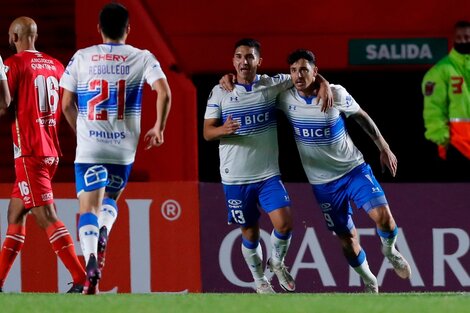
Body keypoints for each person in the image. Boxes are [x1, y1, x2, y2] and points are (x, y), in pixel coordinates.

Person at [277, 49, 411, 293]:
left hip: (353, 170)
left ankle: (389, 250)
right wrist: (229, 81)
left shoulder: (335, 93)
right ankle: (369, 279)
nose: (298, 75)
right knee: (347, 241)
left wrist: (384, 147)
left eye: (304, 70)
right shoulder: (285, 98)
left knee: (385, 219)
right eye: (294, 70)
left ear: (315, 72)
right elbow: (257, 87)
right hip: (323, 185)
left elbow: (361, 117)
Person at [60, 2, 171, 295]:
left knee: (87, 208)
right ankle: (105, 228)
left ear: (99, 29)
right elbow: (164, 91)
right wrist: (158, 126)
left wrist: (82, 132)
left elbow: (66, 104)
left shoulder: (82, 57)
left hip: (90, 149)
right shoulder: (142, 57)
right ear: (128, 29)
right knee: (110, 199)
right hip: (123, 150)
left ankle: (91, 264)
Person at [204, 38, 331, 293]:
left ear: (258, 62)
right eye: (239, 56)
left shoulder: (271, 85)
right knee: (250, 233)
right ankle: (260, 280)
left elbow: (305, 74)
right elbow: (207, 132)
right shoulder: (221, 92)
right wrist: (222, 130)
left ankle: (278, 261)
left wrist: (325, 84)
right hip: (235, 178)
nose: (244, 62)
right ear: (233, 61)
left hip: (268, 174)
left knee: (284, 223)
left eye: (249, 57)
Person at [0, 17, 86, 293]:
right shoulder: (57, 65)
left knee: (46, 214)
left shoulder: (13, 65)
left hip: (29, 152)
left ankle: (82, 277)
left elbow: (4, 107)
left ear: (14, 36)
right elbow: (68, 105)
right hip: (50, 149)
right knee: (16, 213)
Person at [422, 20, 470, 181]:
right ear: (454, 39)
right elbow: (433, 109)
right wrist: (443, 140)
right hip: (458, 147)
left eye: (468, 37)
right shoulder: (440, 70)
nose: (464, 41)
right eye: (460, 37)